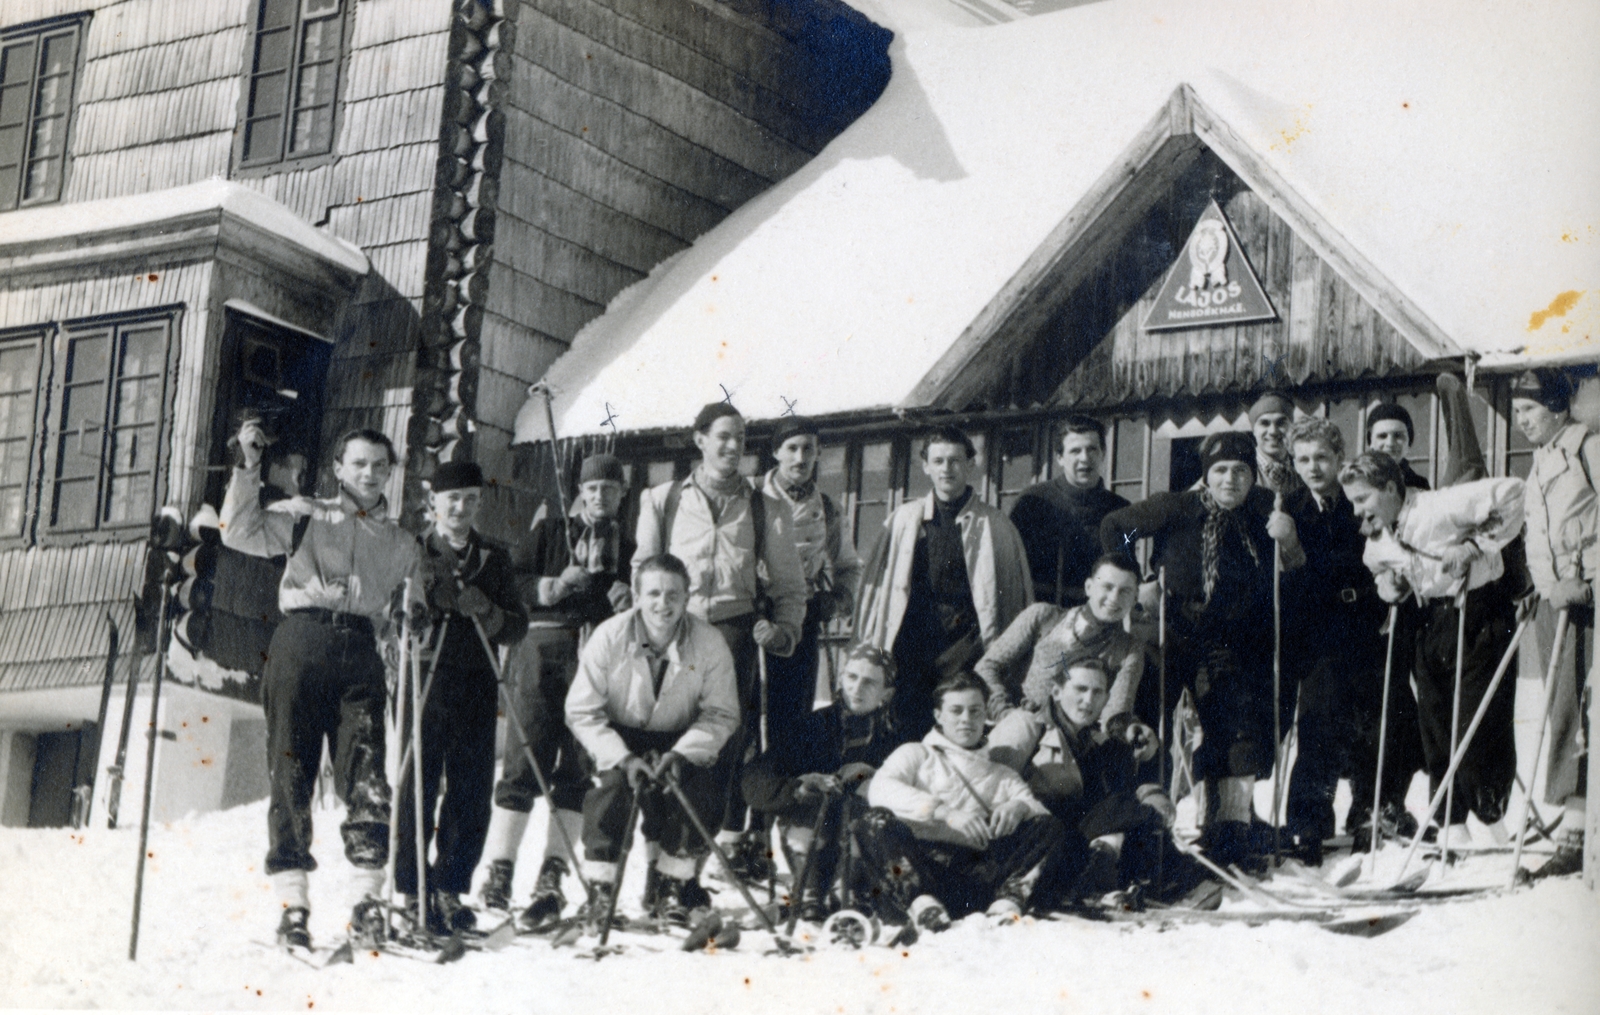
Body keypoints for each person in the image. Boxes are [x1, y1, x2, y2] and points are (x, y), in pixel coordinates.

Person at [220, 421, 424, 951]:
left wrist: (411, 616)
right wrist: (249, 468)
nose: (370, 474)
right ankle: (293, 906)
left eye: (381, 465)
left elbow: (413, 601)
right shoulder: (305, 516)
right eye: (359, 463)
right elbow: (237, 531)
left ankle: (366, 902)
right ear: (339, 469)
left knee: (367, 775)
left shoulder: (402, 543)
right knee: (291, 771)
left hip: (360, 652)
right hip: (301, 644)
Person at [1099, 431, 1304, 871]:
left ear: (1253, 475)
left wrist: (1286, 539)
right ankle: (1148, 825)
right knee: (1158, 720)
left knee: (1233, 728)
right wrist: (1134, 580)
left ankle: (1228, 827)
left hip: (1233, 640)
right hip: (1174, 632)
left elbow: (1297, 563)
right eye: (1221, 471)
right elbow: (1118, 526)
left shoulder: (1266, 509)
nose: (1230, 479)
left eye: (1241, 471)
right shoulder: (1176, 508)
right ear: (1206, 475)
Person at [634, 403, 808, 879]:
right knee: (662, 749)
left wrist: (783, 631)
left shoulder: (764, 507)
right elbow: (641, 573)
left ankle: (682, 876)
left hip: (732, 636)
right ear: (700, 440)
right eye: (724, 436)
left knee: (714, 759)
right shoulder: (662, 499)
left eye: (741, 438)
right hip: (671, 632)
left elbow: (790, 586)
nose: (734, 447)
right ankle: (655, 870)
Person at [1341, 451, 1525, 851]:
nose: (1357, 510)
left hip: (1481, 615)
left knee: (1478, 723)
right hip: (1430, 625)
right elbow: (1381, 572)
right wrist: (1388, 585)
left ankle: (1491, 818)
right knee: (1437, 728)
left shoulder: (1439, 505)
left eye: (1363, 499)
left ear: (1390, 488)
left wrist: (1476, 544)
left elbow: (1514, 492)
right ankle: (1451, 823)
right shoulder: (1378, 539)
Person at [480, 453, 635, 928]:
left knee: (576, 766)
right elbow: (510, 580)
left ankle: (552, 873)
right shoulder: (551, 533)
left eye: (610, 488)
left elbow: (646, 601)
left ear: (621, 494)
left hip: (595, 660)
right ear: (579, 494)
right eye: (592, 489)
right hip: (541, 652)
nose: (600, 496)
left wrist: (627, 596)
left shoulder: (628, 549)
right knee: (526, 759)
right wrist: (550, 585)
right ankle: (500, 870)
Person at [564, 554, 741, 925]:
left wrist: (682, 753)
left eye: (673, 594)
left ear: (688, 596)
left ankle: (672, 882)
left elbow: (721, 713)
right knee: (612, 790)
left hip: (680, 735)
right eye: (654, 593)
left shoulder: (709, 642)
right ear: (638, 596)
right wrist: (623, 758)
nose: (664, 604)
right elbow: (582, 710)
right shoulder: (610, 635)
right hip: (618, 733)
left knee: (700, 788)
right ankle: (601, 890)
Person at [1277, 419, 1418, 863]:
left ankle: (1369, 810)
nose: (1313, 467)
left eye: (1322, 457)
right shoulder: (1290, 509)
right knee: (1318, 721)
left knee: (1377, 720)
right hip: (1317, 631)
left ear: (1340, 459)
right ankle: (1308, 821)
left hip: (1365, 621)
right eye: (1303, 459)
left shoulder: (1358, 500)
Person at [394, 461, 527, 934]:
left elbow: (518, 625)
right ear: (434, 501)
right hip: (425, 675)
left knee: (470, 789)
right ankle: (412, 892)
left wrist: (487, 610)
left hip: (476, 679)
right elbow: (391, 605)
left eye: (471, 498)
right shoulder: (413, 548)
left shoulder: (494, 555)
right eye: (452, 498)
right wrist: (413, 614)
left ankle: (449, 887)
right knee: (419, 782)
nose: (461, 507)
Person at [855, 424, 1033, 741]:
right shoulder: (903, 520)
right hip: (912, 640)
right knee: (906, 724)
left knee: (958, 721)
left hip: (966, 643)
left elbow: (1012, 600)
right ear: (925, 466)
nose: (946, 469)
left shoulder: (996, 525)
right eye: (938, 461)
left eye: (954, 460)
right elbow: (878, 589)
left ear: (970, 464)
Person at [860, 674, 1065, 927]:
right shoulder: (916, 754)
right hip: (915, 872)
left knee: (1051, 827)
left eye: (975, 711)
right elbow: (880, 789)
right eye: (956, 711)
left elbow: (1041, 816)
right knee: (873, 822)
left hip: (975, 881)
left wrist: (1019, 807)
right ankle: (923, 907)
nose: (966, 719)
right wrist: (944, 812)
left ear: (985, 716)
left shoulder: (1001, 774)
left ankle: (1007, 905)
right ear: (938, 715)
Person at [740, 643, 903, 922]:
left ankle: (854, 892)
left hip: (862, 845)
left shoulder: (895, 739)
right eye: (852, 677)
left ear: (886, 693)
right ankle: (810, 893)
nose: (857, 688)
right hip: (813, 834)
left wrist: (873, 774)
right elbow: (755, 778)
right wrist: (798, 789)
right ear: (841, 678)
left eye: (869, 682)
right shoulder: (813, 726)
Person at [1510, 369, 1597, 879]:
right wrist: (1535, 586)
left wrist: (1586, 580)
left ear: (1559, 408)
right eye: (1518, 411)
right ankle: (1575, 818)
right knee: (1562, 708)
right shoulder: (1541, 462)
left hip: (1587, 600)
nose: (1521, 420)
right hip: (1553, 603)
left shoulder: (1589, 448)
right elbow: (1540, 535)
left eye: (1529, 410)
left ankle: (1581, 826)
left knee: (1585, 709)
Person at [977, 554, 1154, 772]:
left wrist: (1130, 728)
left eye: (1125, 591)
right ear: (1089, 587)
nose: (1114, 598)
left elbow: (1115, 712)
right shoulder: (1044, 617)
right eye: (1107, 587)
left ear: (1135, 598)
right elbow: (987, 667)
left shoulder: (1128, 648)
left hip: (1067, 753)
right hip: (1015, 733)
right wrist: (1004, 712)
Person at [1025, 656, 1178, 905]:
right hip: (1040, 840)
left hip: (1075, 841)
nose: (1088, 700)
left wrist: (1151, 794)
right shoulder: (1031, 727)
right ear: (1056, 691)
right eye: (1080, 689)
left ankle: (1172, 880)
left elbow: (1123, 791)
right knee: (1124, 808)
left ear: (1106, 699)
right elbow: (997, 780)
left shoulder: (1098, 742)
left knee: (1128, 809)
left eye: (1097, 692)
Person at [759, 416, 864, 772]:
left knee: (793, 715)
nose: (799, 457)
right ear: (776, 452)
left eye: (808, 449)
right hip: (756, 616)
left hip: (802, 622)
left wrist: (834, 601)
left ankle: (785, 802)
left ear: (818, 453)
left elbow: (849, 565)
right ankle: (740, 812)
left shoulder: (828, 509)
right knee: (750, 713)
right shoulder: (752, 498)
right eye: (791, 448)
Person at [1008, 417, 1129, 606]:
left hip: (1101, 616)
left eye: (1092, 449)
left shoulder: (1120, 509)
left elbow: (1126, 570)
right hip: (1042, 616)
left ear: (1103, 454)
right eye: (1075, 451)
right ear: (1060, 458)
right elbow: (1010, 570)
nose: (1085, 458)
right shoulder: (1032, 503)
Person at [1249, 391, 1305, 498]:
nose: (1273, 431)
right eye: (1264, 423)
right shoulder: (1244, 470)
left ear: (1292, 428)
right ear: (1254, 430)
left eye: (1281, 423)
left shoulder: (1303, 470)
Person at [1366, 403, 1431, 491]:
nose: (1390, 443)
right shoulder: (1356, 481)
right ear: (1371, 442)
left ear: (1409, 442)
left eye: (1398, 435)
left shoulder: (1419, 485)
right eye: (1382, 436)